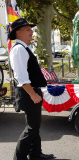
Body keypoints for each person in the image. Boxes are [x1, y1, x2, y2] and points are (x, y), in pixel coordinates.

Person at [10, 18, 54, 160]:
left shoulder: (23, 49)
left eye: (31, 29)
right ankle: (19, 157)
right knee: (32, 128)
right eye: (28, 29)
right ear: (19, 33)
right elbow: (21, 77)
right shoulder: (19, 49)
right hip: (29, 92)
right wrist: (33, 94)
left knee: (34, 125)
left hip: (31, 91)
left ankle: (35, 154)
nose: (32, 31)